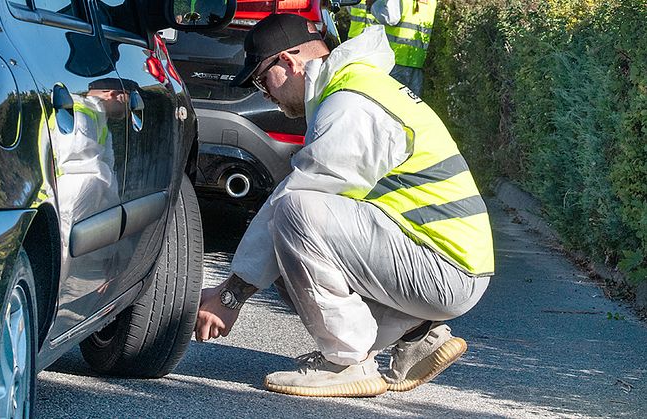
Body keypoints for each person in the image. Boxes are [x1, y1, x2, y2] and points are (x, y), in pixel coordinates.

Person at [194, 13, 493, 398]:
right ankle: (418, 334)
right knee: (289, 253)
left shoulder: (350, 105)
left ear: (289, 62)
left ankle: (347, 361)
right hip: (444, 261)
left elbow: (295, 201)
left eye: (260, 79)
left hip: (443, 269)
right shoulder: (357, 86)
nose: (263, 92)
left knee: (294, 213)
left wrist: (230, 295)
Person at [348, 0, 437, 96]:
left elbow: (390, 17)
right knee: (408, 104)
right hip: (416, 61)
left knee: (386, 100)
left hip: (394, 59)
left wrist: (373, 5)